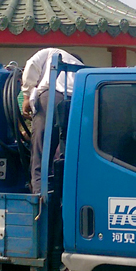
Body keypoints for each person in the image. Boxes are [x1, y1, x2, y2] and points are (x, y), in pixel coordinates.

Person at [21, 48, 84, 194]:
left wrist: (26, 96)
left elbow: (32, 65)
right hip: (77, 100)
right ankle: (63, 190)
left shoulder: (50, 52)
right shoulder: (79, 68)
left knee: (42, 147)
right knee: (66, 149)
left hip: (52, 96)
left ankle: (39, 191)